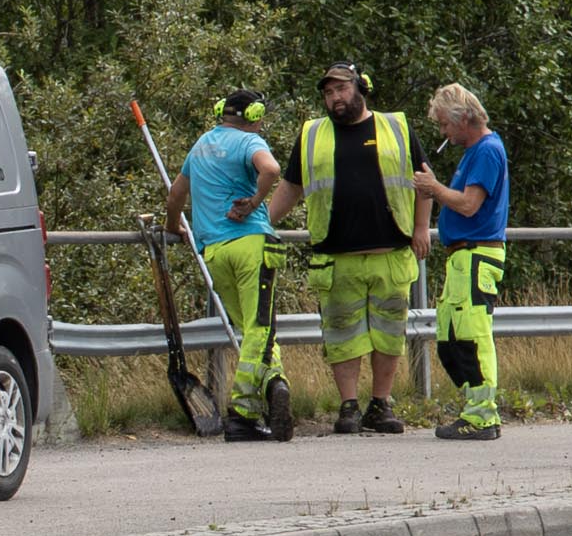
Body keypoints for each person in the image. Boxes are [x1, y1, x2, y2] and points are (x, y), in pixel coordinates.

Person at [266, 62, 427, 435]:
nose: (334, 98)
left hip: (391, 252)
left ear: (360, 88)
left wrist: (421, 228)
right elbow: (291, 187)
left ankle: (381, 405)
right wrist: (262, 223)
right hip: (336, 256)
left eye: (340, 89)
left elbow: (423, 181)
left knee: (389, 334)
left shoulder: (396, 127)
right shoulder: (311, 134)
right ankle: (349, 407)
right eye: (327, 92)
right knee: (342, 337)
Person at [167, 91, 291, 441]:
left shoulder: (201, 145)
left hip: (214, 251)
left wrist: (172, 226)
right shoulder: (250, 140)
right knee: (260, 328)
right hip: (252, 243)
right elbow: (271, 169)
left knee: (250, 329)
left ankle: (275, 382)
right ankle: (243, 413)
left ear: (221, 111)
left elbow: (175, 195)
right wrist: (253, 202)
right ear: (255, 114)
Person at [413, 83, 510, 441]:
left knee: (471, 335)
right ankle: (474, 407)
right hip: (461, 256)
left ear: (462, 118)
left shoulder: (486, 150)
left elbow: (469, 204)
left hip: (477, 253)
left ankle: (483, 415)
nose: (443, 133)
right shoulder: (473, 152)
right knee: (450, 338)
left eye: (444, 125)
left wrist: (434, 188)